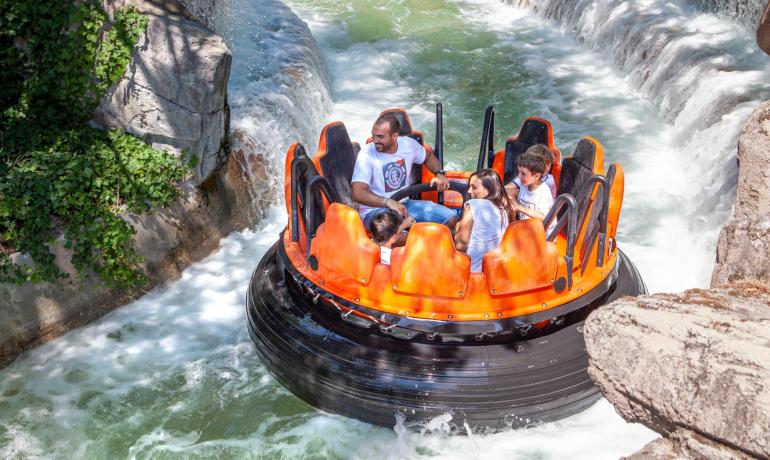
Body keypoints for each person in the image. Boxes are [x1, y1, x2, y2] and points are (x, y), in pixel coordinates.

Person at [351, 113, 459, 245]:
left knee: (451, 219)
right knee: (401, 238)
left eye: (380, 136)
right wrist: (388, 202)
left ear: (394, 136)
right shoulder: (367, 155)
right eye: (373, 134)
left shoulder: (408, 145)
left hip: (405, 204)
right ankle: (430, 246)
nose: (375, 140)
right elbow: (357, 193)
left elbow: (428, 156)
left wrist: (440, 173)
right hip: (375, 211)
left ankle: (431, 246)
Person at [454, 169, 514, 272]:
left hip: (471, 270)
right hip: (493, 270)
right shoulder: (505, 208)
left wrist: (457, 227)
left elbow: (461, 244)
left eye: (474, 188)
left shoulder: (475, 205)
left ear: (488, 190)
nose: (469, 191)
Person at [511, 151, 554, 229]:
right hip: (528, 227)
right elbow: (519, 202)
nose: (519, 176)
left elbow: (543, 217)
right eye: (519, 172)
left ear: (537, 176)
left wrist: (519, 208)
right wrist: (514, 202)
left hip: (541, 234)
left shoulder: (543, 192)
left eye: (523, 174)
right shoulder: (525, 185)